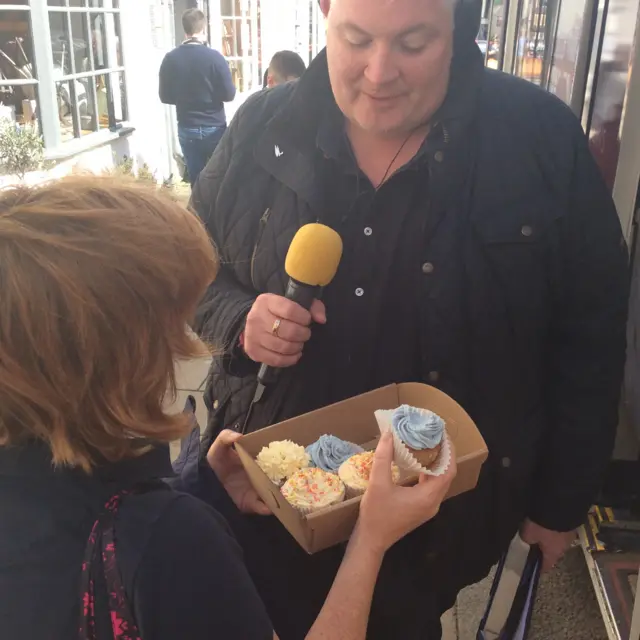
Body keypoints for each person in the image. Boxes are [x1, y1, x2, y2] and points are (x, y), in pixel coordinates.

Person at [190, 0, 630, 637]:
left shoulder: (537, 137)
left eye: (413, 43)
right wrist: (238, 320)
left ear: (459, 28)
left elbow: (590, 331)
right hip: (262, 499)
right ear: (323, 11)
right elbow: (189, 267)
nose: (378, 71)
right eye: (356, 38)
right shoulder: (261, 125)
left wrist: (560, 502)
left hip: (434, 528)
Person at [0, 175, 456, 640]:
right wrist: (370, 539)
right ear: (122, 356)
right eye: (171, 323)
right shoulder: (174, 541)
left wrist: (196, 485)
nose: (179, 344)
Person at [159, 9, 236, 186]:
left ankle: (198, 211)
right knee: (219, 176)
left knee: (196, 178)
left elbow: (165, 96)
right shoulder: (215, 58)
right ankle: (218, 210)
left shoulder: (170, 59)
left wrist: (184, 98)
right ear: (203, 29)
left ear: (185, 29)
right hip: (214, 125)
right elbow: (229, 94)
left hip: (188, 125)